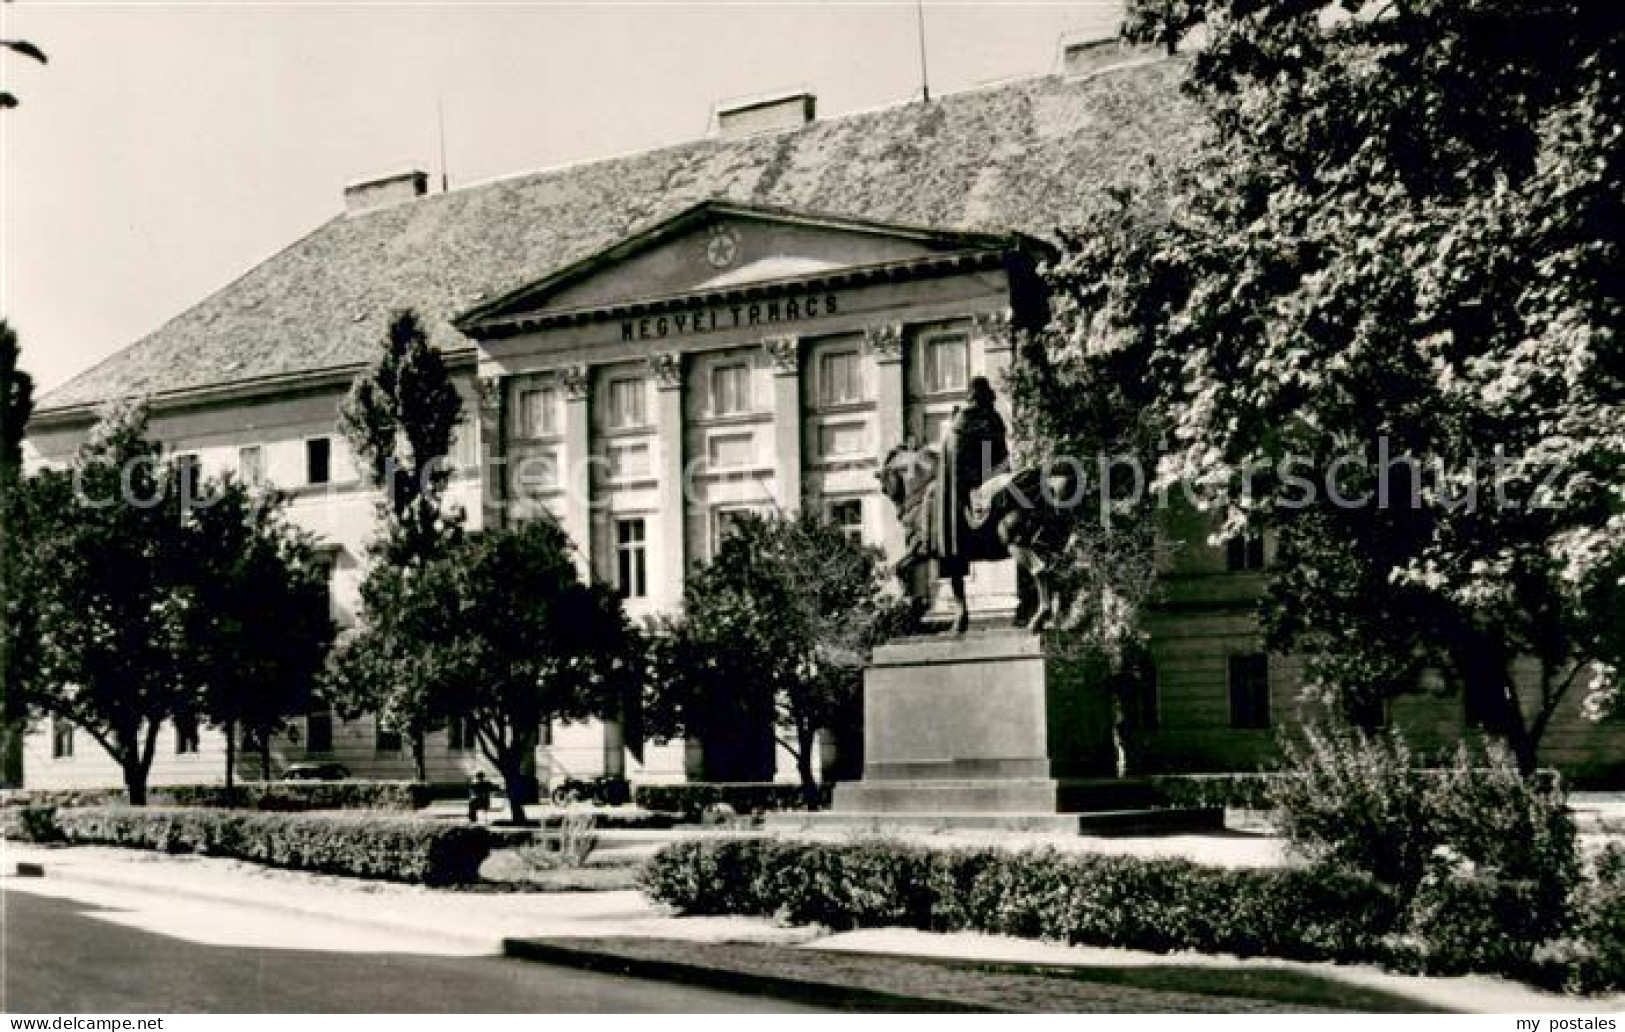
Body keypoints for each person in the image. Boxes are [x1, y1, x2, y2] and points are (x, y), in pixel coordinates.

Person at [933, 376, 1009, 579]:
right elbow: (1000, 453)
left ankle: (953, 548)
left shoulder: (962, 420)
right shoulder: (992, 418)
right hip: (987, 478)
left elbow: (957, 455)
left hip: (968, 483)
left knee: (952, 517)